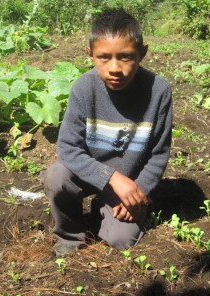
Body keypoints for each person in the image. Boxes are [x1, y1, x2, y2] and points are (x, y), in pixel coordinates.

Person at [41, 8, 172, 256]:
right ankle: (70, 235)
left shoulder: (159, 91)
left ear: (142, 53)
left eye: (125, 57)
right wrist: (112, 178)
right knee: (56, 176)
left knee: (121, 239)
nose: (114, 68)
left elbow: (158, 154)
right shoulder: (84, 88)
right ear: (90, 54)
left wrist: (138, 193)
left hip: (130, 181)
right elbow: (68, 149)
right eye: (104, 57)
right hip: (90, 173)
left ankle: (106, 205)